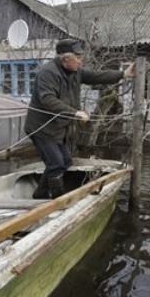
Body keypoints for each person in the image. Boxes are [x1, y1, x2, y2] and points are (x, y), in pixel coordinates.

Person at [24, 38, 136, 199]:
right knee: (55, 164)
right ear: (65, 58)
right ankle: (54, 199)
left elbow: (96, 76)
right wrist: (74, 113)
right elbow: (47, 99)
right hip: (41, 128)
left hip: (58, 129)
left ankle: (41, 192)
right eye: (77, 57)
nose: (80, 60)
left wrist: (123, 74)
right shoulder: (47, 73)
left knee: (66, 162)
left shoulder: (75, 71)